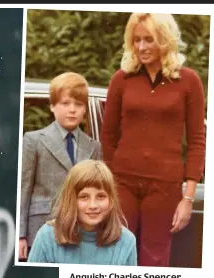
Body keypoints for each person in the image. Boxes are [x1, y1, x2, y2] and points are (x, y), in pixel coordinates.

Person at [100, 13, 206, 267]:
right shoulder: (121, 79)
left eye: (149, 39)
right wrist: (112, 183)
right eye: (136, 40)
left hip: (164, 186)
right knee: (116, 253)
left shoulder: (188, 81)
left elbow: (197, 141)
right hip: (123, 183)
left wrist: (187, 198)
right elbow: (108, 136)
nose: (142, 47)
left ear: (165, 40)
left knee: (155, 256)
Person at [19, 72, 102, 260]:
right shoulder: (34, 140)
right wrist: (20, 235)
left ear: (84, 110)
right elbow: (23, 190)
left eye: (78, 104)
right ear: (53, 106)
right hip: (41, 227)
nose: (72, 110)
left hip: (81, 231)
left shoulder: (94, 147)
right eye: (65, 103)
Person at [27, 159, 137, 265]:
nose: (93, 205)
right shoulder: (47, 236)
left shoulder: (126, 241)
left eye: (101, 196)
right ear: (71, 200)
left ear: (111, 200)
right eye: (84, 197)